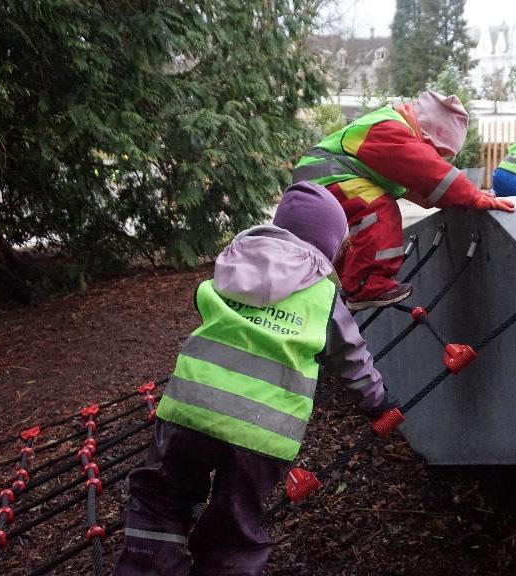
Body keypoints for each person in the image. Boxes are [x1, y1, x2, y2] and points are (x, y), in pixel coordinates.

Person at [114, 181, 391, 576]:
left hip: (190, 410)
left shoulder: (231, 267)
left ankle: (147, 566)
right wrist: (376, 402)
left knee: (160, 497)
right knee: (236, 524)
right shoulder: (322, 294)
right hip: (264, 433)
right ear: (329, 243)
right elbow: (351, 355)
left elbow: (203, 305)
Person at [293, 90, 515, 312]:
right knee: (379, 209)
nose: (438, 158)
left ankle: (345, 284)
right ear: (427, 137)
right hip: (325, 181)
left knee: (349, 236)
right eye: (438, 152)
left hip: (318, 184)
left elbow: (422, 190)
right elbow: (429, 171)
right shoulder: (389, 129)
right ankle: (367, 285)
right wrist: (471, 195)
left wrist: (460, 199)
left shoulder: (387, 135)